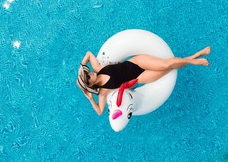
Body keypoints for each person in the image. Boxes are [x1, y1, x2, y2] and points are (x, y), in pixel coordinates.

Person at [77, 46, 211, 115]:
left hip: (137, 62)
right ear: (90, 85)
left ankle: (195, 60)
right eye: (88, 76)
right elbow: (100, 111)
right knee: (170, 68)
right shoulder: (103, 92)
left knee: (166, 64)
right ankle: (195, 56)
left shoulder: (98, 68)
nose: (90, 73)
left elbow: (88, 54)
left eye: (87, 72)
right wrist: (89, 98)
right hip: (141, 77)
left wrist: (81, 68)